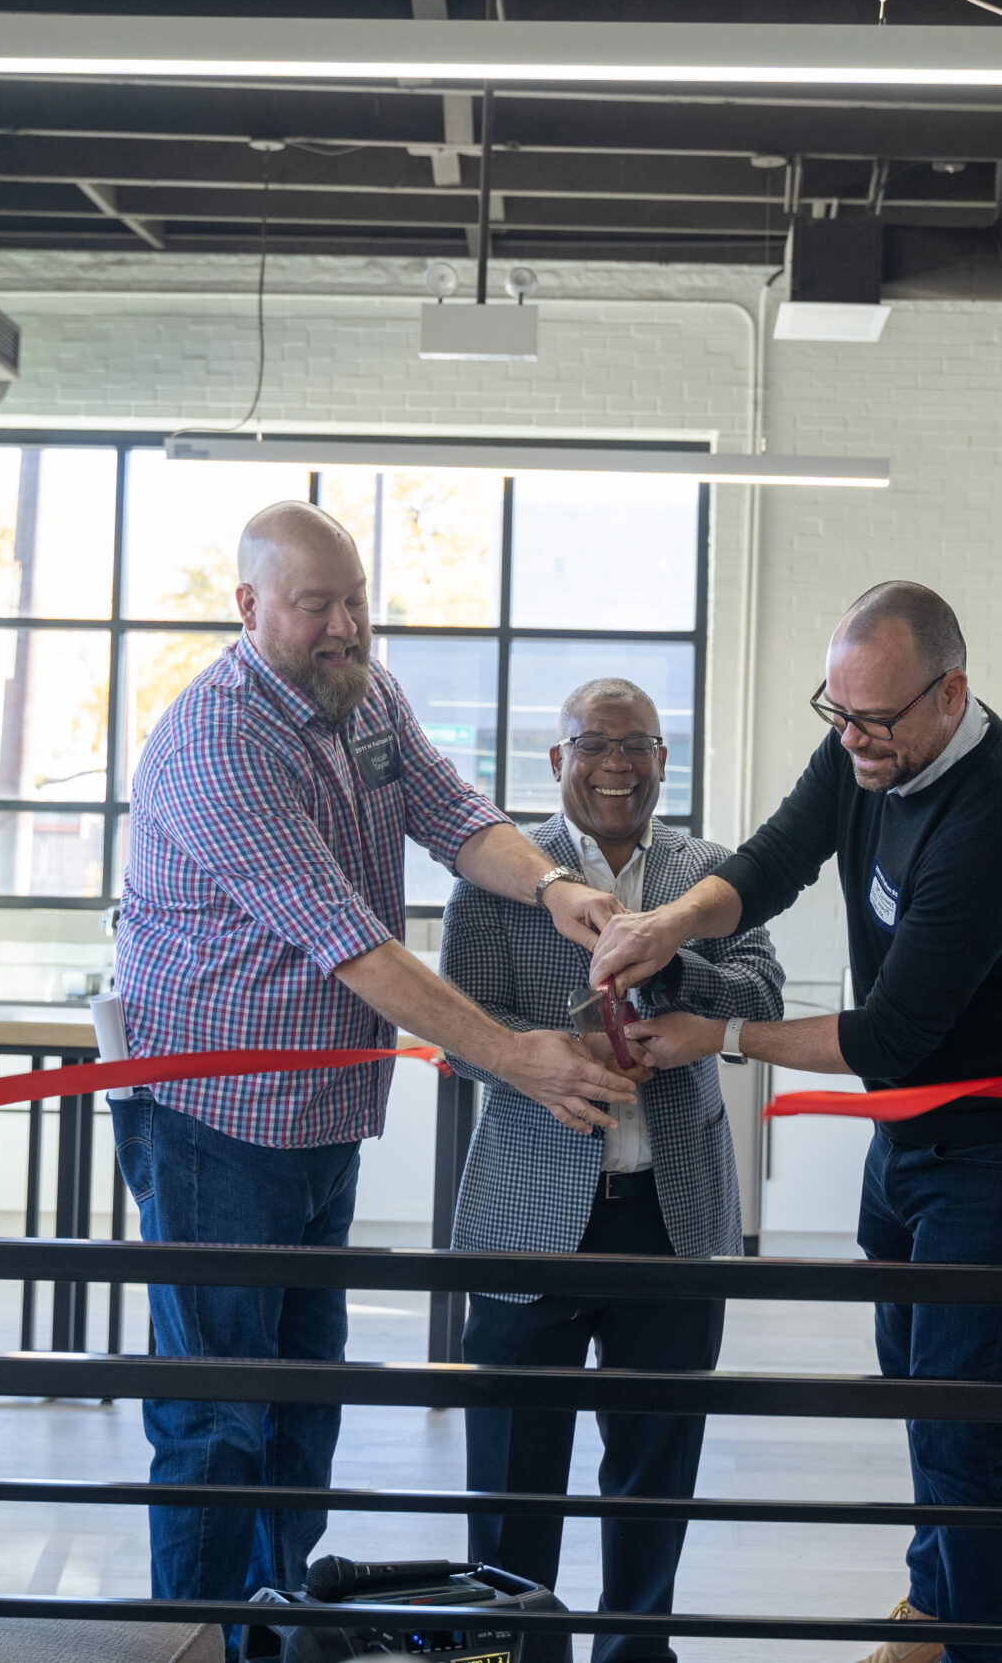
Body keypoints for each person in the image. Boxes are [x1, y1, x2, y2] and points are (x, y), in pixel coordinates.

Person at [111, 501, 642, 1620]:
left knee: (303, 1407)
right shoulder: (220, 738)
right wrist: (516, 1060)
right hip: (217, 1125)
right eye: (317, 606)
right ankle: (196, 1647)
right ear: (248, 606)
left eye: (357, 599)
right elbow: (351, 941)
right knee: (216, 1419)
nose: (346, 625)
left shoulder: (359, 688)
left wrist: (558, 889)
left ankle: (275, 1634)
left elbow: (453, 813)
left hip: (320, 1120)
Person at [593, 582, 1002, 1663]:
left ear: (950, 693)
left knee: (964, 1418)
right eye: (838, 713)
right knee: (915, 1382)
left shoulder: (995, 823)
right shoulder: (865, 744)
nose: (855, 741)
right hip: (911, 1134)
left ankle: (973, 1649)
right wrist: (666, 924)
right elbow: (774, 861)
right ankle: (935, 1606)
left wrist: (716, 1036)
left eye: (877, 721)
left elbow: (890, 1036)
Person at [440, 676, 784, 1662]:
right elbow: (460, 1022)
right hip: (524, 1214)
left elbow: (760, 985)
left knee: (653, 1465)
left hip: (671, 1218)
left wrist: (672, 961)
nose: (618, 765)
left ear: (664, 760)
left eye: (638, 745)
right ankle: (511, 1654)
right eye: (595, 744)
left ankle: (637, 1652)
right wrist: (542, 1052)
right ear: (559, 761)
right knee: (514, 1473)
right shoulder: (506, 874)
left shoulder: (709, 872)